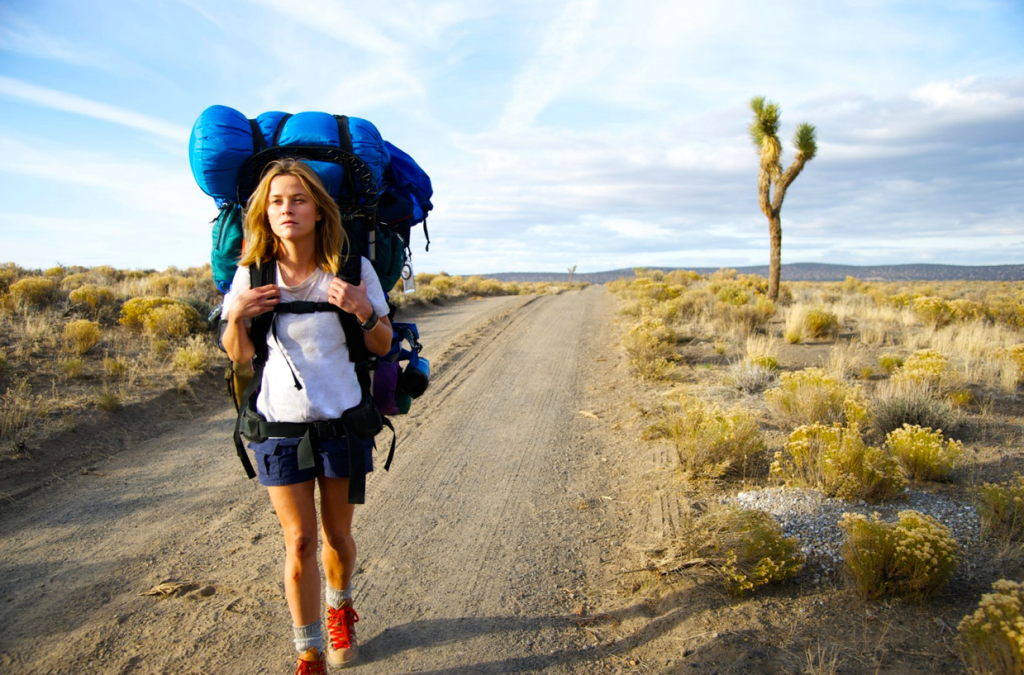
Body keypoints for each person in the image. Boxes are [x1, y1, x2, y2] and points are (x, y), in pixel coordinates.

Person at [221, 158, 392, 673]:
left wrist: (362, 308)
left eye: (297, 199)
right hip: (278, 427)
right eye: (275, 201)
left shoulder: (353, 270)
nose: (286, 209)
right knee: (298, 540)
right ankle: (309, 650)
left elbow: (382, 344)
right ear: (264, 214)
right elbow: (238, 356)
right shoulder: (251, 274)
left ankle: (341, 615)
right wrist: (237, 314)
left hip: (341, 422)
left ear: (318, 210)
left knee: (338, 536)